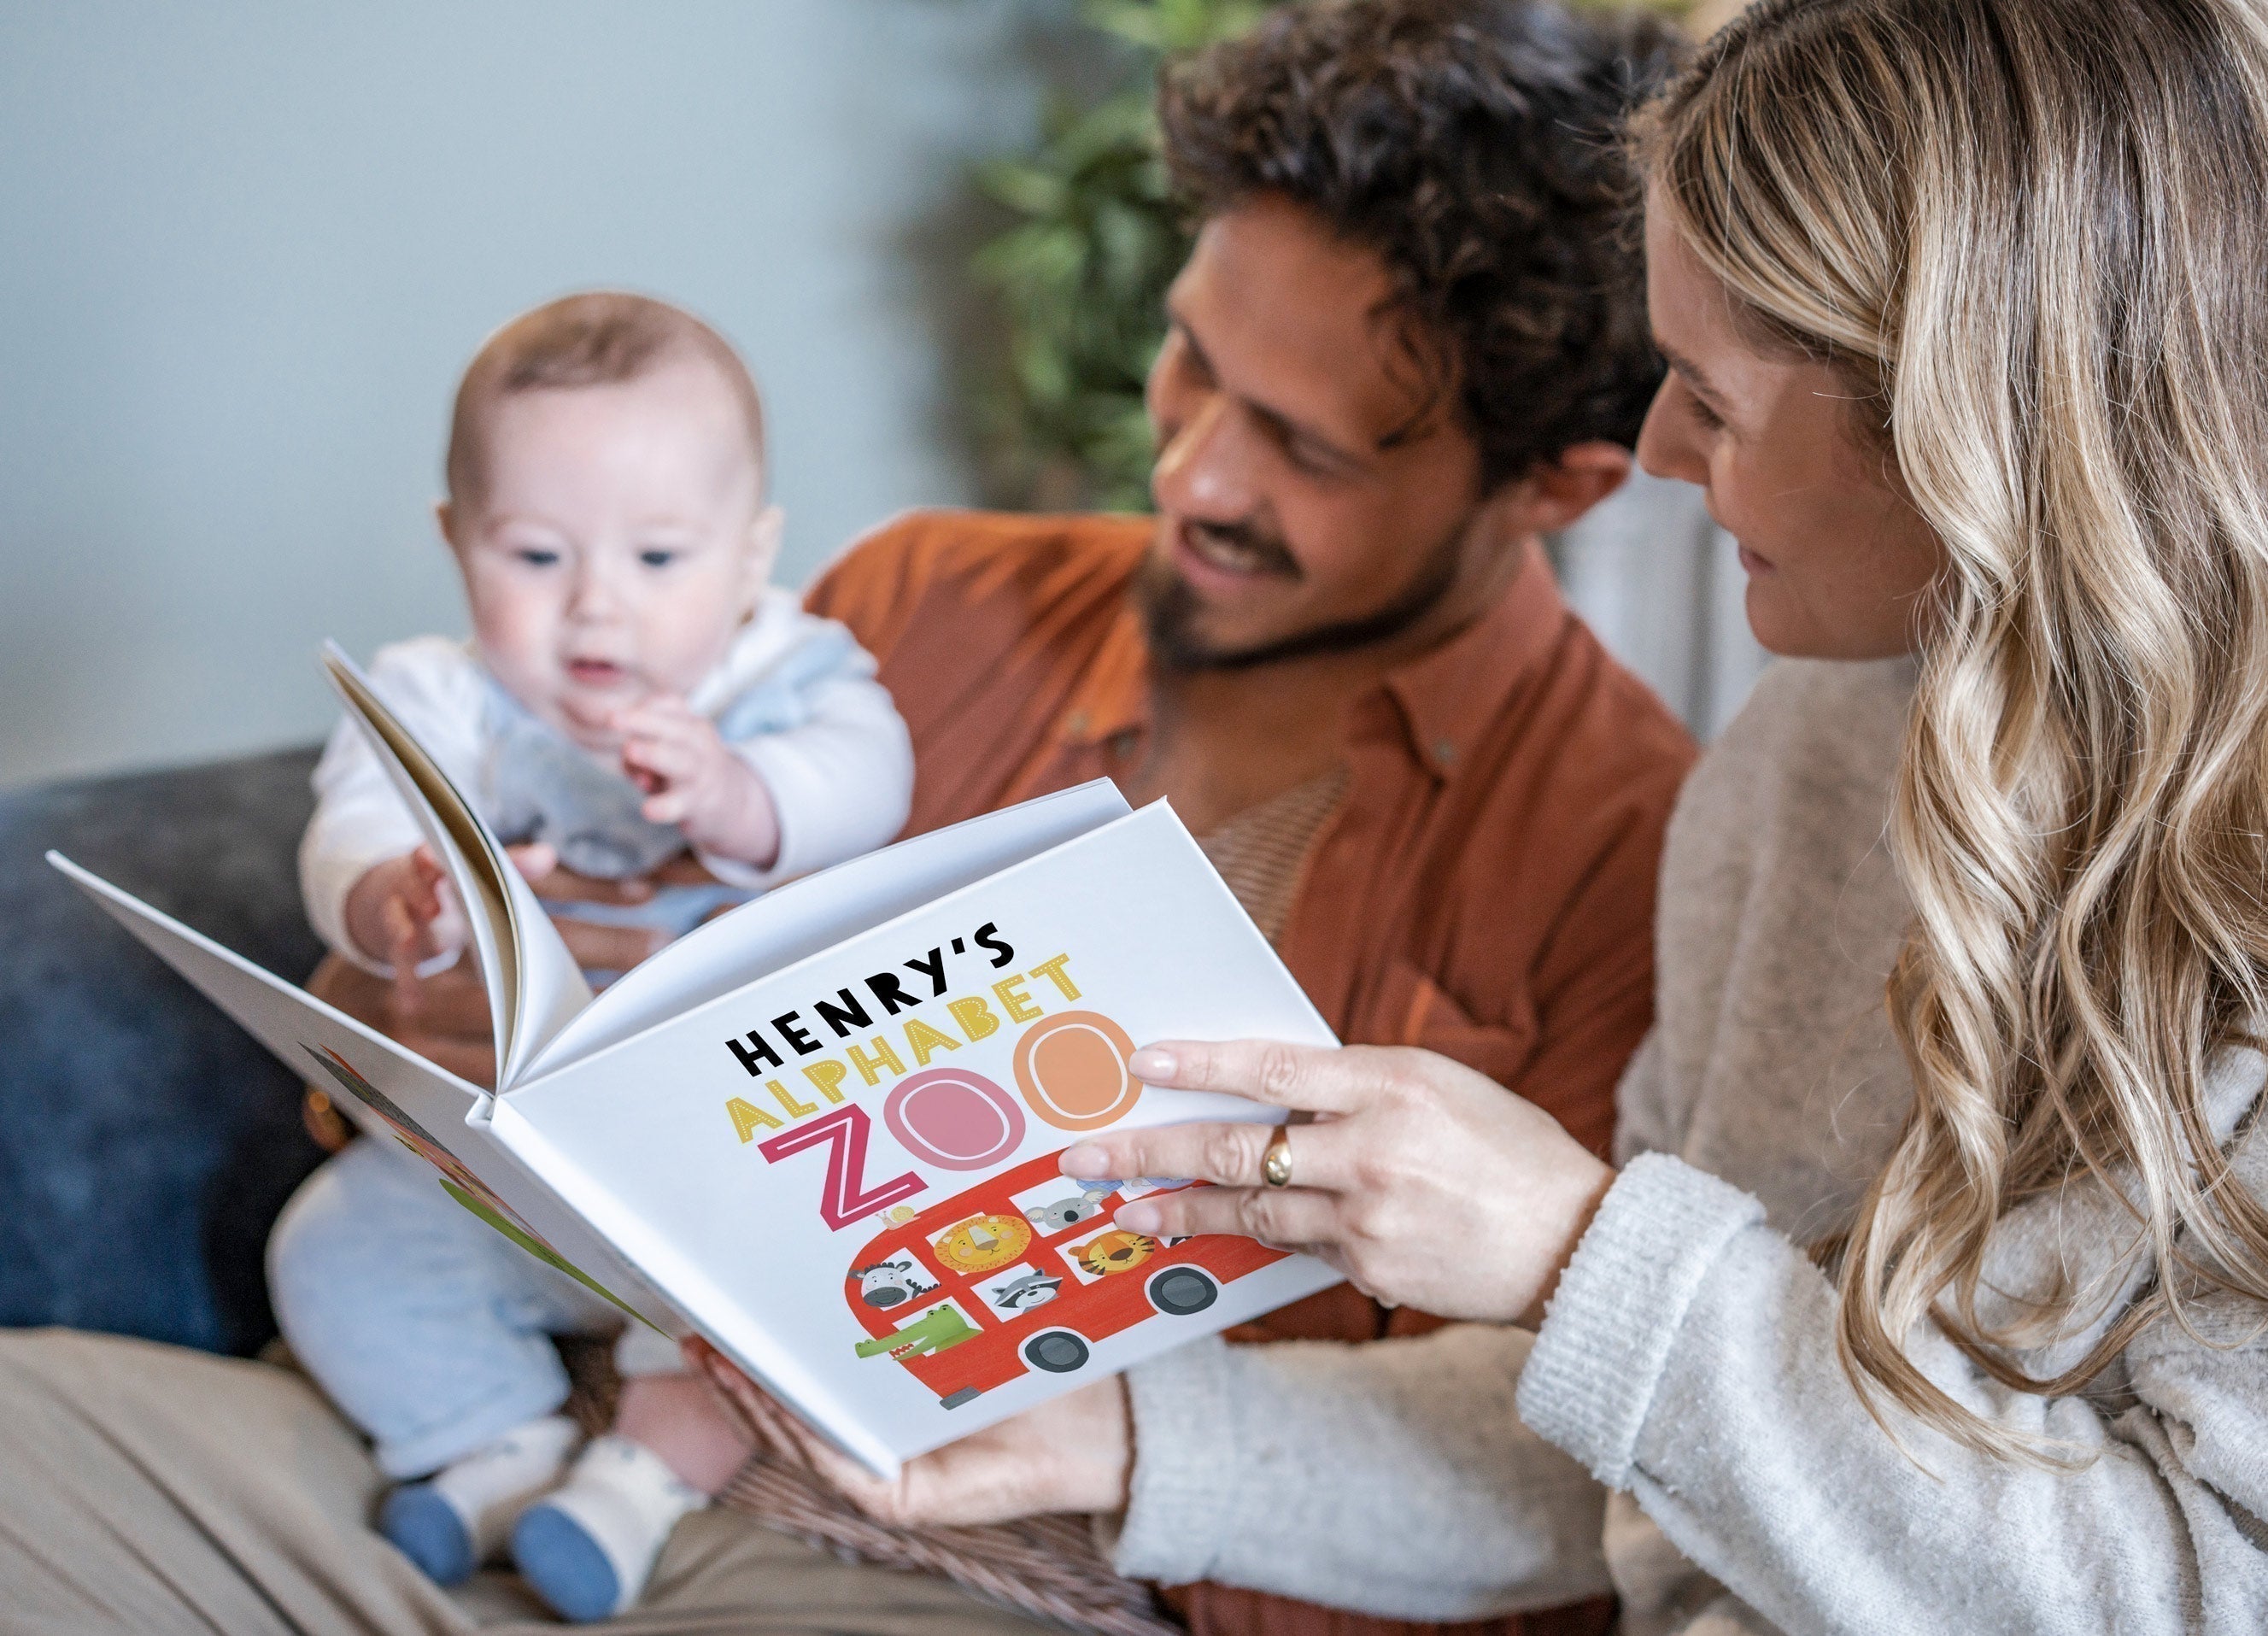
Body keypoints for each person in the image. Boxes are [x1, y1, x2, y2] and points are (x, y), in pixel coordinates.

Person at [0, 3, 1695, 1632]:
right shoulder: (922, 601)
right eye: (1193, 356)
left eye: (1306, 451)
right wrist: (423, 1016)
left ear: (1555, 485)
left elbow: (1549, 1498)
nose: (1189, 472)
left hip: (957, 1572)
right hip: (477, 1434)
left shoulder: (1625, 855)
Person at [712, 0, 2268, 1630]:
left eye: (1711, 401)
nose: (1660, 450)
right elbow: (1646, 1453)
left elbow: (2195, 1588)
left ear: (1969, 432)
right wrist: (1135, 1433)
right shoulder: (1803, 757)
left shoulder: (1619, 814)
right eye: (1194, 360)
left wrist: (1579, 1253)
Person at [267, 291, 913, 1621]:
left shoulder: (783, 679)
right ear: (457, 542)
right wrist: (390, 896)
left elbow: (871, 780)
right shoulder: (438, 696)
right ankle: (490, 1441)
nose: (597, 609)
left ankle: (635, 1488)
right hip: (503, 1171)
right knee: (333, 1251)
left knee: (801, 1284)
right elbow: (353, 822)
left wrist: (741, 796)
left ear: (752, 552)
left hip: (724, 1168)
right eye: (537, 555)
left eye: (661, 557)